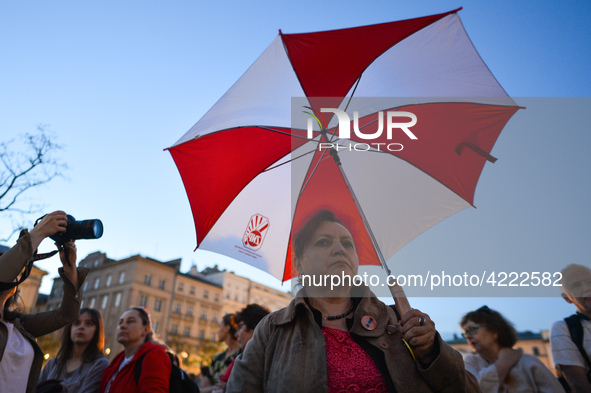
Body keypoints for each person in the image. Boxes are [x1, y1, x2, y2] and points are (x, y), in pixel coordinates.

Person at [226, 209, 479, 392]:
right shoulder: (272, 329)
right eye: (324, 242)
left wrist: (431, 351)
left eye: (347, 243)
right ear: (299, 263)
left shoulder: (397, 321)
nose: (340, 249)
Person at [0, 210, 87, 393]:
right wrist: (39, 232)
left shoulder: (18, 326)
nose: (15, 270)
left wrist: (70, 270)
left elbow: (67, 315)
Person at [461, 305, 563, 392]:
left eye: (472, 329)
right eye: (465, 333)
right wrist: (504, 362)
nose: (468, 336)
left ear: (494, 331)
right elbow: (472, 390)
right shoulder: (470, 363)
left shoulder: (529, 362)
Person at [99, 307, 171, 393]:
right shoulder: (116, 362)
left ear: (145, 330)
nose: (122, 326)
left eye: (130, 321)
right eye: (120, 322)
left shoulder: (155, 357)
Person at [39, 308, 109, 393]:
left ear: (97, 330)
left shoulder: (99, 364)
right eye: (76, 323)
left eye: (88, 324)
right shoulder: (52, 364)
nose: (81, 327)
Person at [550, 263, 591, 392]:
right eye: (576, 285)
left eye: (589, 281)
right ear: (567, 298)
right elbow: (579, 386)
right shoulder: (564, 329)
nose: (586, 288)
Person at [212, 304, 270, 393]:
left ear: (254, 328)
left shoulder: (262, 362)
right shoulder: (239, 359)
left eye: (240, 328)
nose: (236, 334)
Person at [203, 313, 240, 391]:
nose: (217, 331)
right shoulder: (217, 357)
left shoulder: (242, 356)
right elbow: (202, 389)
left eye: (219, 327)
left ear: (227, 328)